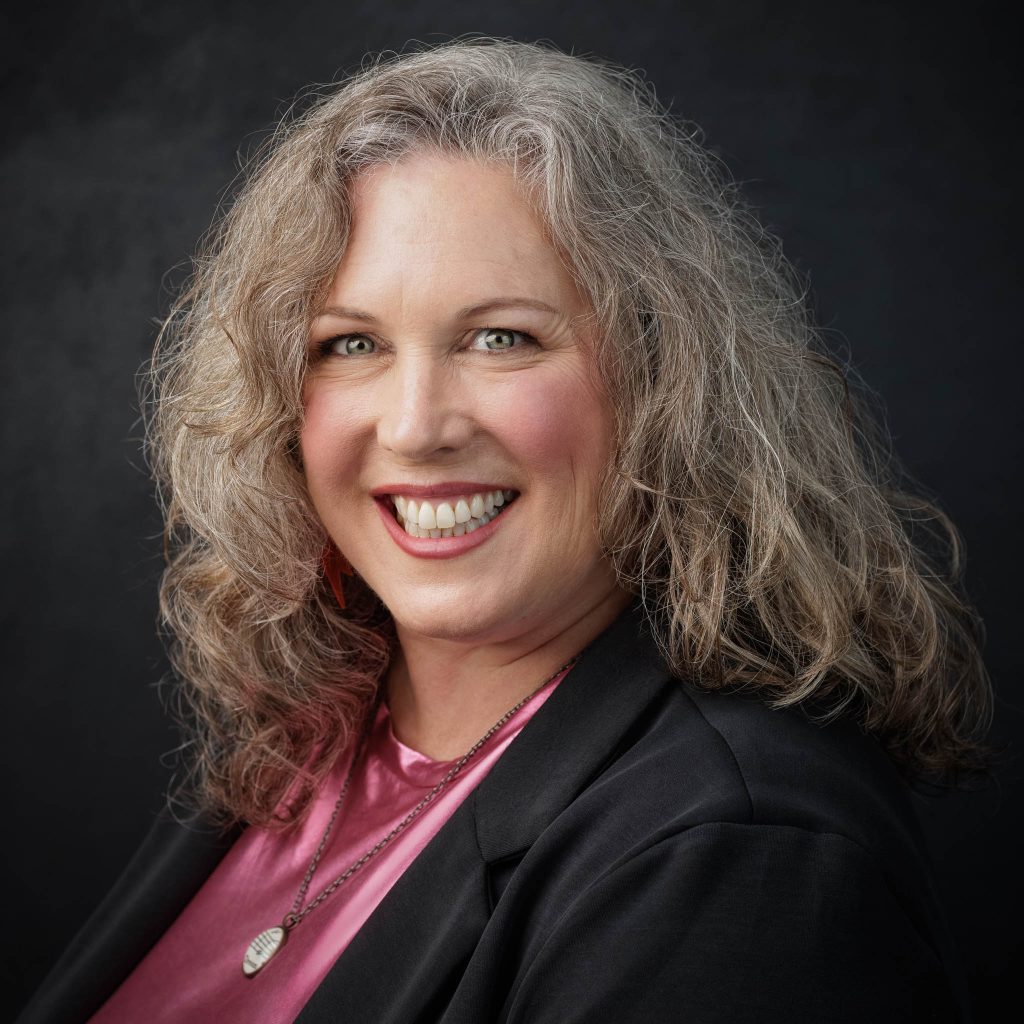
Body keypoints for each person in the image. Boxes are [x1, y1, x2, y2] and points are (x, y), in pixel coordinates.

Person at [18, 37, 991, 1024]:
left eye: (500, 338)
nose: (415, 425)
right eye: (349, 343)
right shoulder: (303, 746)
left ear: (658, 381)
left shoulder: (739, 856)